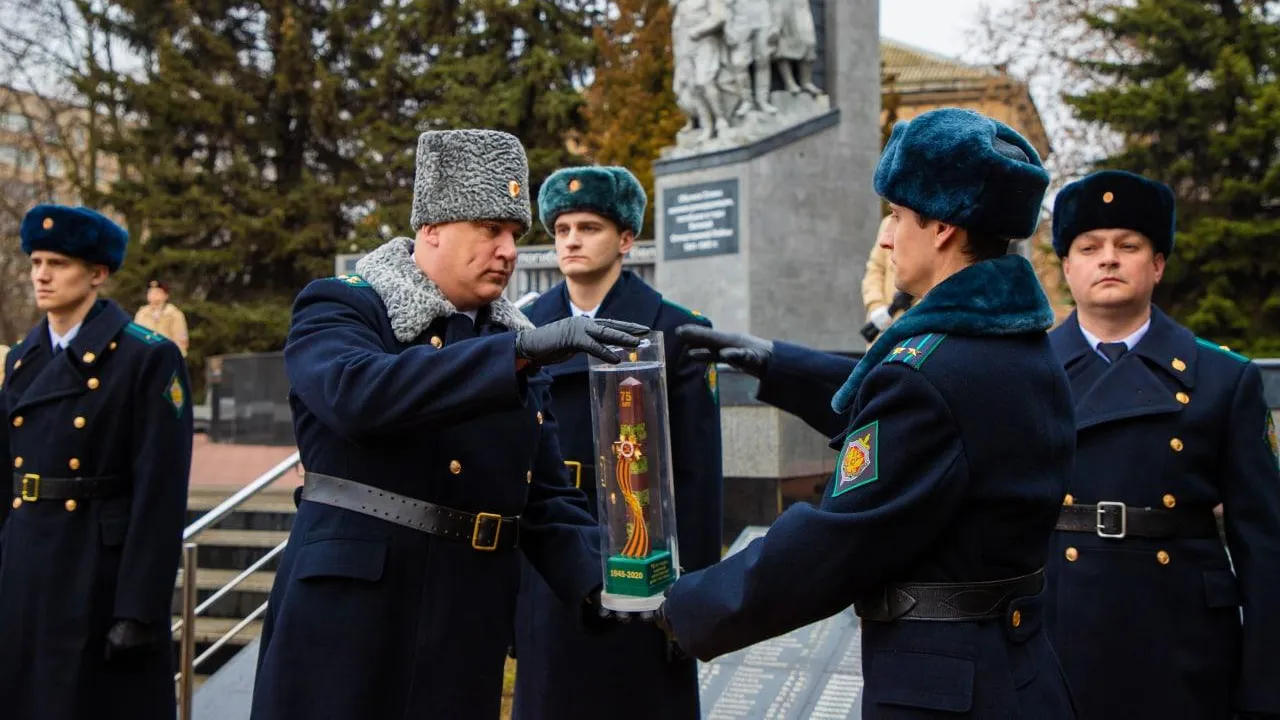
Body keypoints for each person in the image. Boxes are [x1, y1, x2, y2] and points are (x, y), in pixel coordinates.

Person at [657, 108, 1077, 717]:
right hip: (1013, 670)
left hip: (945, 691)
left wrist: (688, 604)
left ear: (942, 228)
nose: (885, 237)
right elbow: (912, 419)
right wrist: (774, 362)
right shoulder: (1015, 344)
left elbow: (836, 541)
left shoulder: (933, 374)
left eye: (899, 216)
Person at [249, 129, 649, 720]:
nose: (509, 250)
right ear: (432, 228)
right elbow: (355, 395)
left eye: (515, 234)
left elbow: (546, 504)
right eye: (490, 228)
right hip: (350, 620)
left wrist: (624, 586)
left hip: (465, 626)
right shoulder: (343, 304)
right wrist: (518, 354)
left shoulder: (510, 342)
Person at [1044, 169, 1280, 720]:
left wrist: (1266, 691)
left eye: (1128, 246)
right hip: (1056, 632)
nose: (1108, 259)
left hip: (1181, 641)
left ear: (1157, 265)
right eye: (1090, 247)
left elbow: (1264, 544)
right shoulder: (1024, 372)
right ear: (1067, 268)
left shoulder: (1224, 378)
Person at [512, 166, 724, 720]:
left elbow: (698, 479)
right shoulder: (523, 329)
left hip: (642, 555)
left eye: (590, 226)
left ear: (626, 239)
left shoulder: (676, 330)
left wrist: (695, 600)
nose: (572, 240)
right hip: (550, 559)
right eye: (560, 229)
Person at [0, 204, 194, 720]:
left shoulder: (145, 356)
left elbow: (161, 490)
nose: (41, 275)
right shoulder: (23, 358)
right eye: (36, 261)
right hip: (25, 565)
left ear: (97, 273)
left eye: (58, 263)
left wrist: (139, 608)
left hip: (97, 571)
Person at [861, 214, 915, 345]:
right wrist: (876, 305)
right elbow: (875, 268)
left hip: (914, 332)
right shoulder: (888, 223)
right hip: (883, 325)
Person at [133, 280, 189, 357]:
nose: (153, 295)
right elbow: (136, 338)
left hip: (168, 357)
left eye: (157, 292)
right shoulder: (141, 314)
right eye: (151, 292)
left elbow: (181, 341)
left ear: (165, 296)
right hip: (146, 358)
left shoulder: (174, 314)